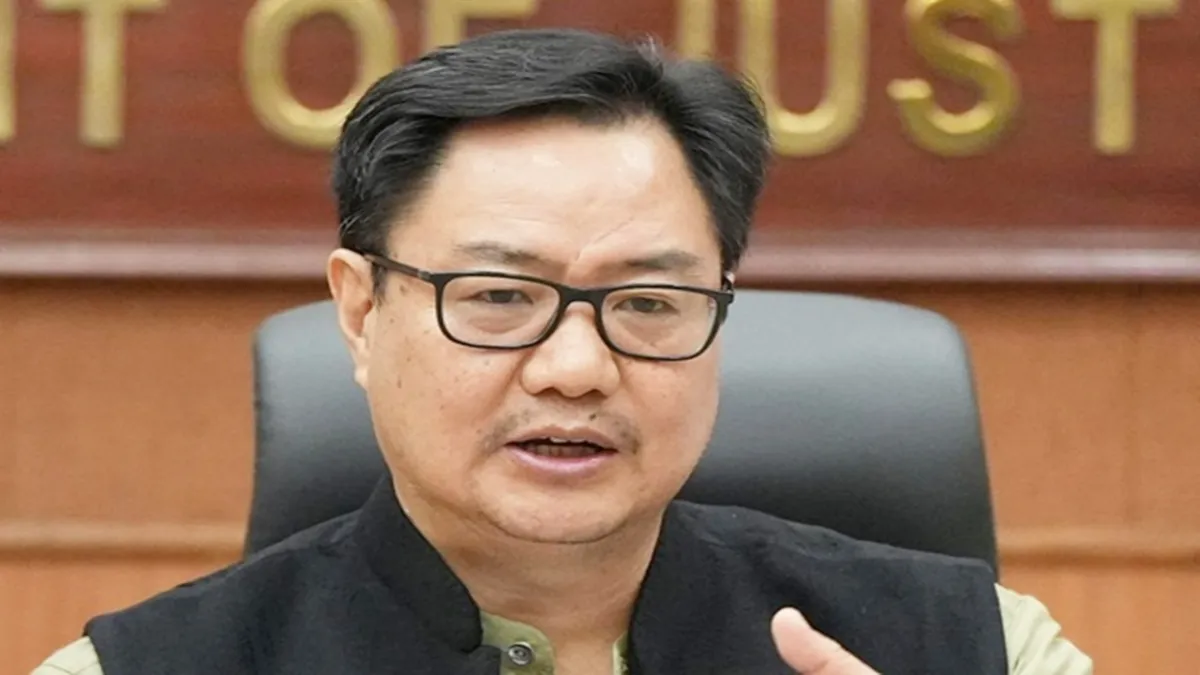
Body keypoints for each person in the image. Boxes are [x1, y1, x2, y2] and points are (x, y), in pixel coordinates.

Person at [33, 27, 1092, 675]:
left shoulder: (982, 647)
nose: (576, 369)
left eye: (650, 302)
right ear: (360, 312)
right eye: (499, 296)